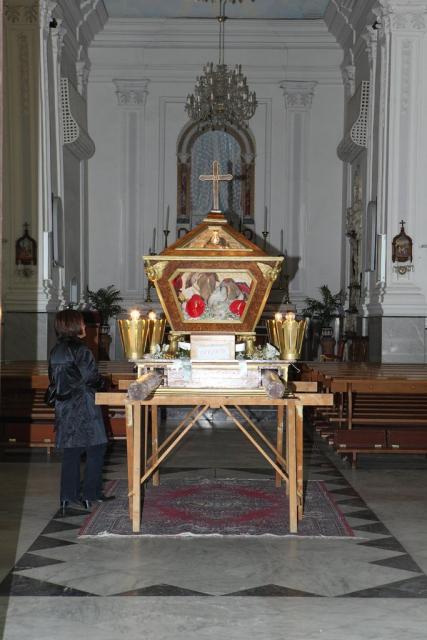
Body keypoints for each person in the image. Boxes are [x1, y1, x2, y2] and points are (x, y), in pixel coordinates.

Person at [48, 309, 115, 515]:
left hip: (64, 406)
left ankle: (67, 497)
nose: (85, 326)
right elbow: (91, 378)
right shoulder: (81, 349)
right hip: (84, 404)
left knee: (71, 451)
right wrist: (105, 383)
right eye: (82, 322)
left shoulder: (56, 350)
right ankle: (90, 494)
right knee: (97, 447)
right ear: (74, 325)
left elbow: (53, 380)